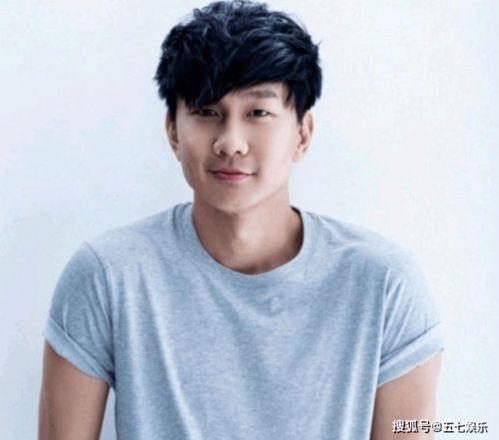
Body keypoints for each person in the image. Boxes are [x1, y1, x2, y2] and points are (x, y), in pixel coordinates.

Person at [38, 1, 444, 439]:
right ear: (173, 131)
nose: (231, 143)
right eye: (206, 112)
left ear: (303, 133)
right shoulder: (107, 276)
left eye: (258, 113)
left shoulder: (385, 285)